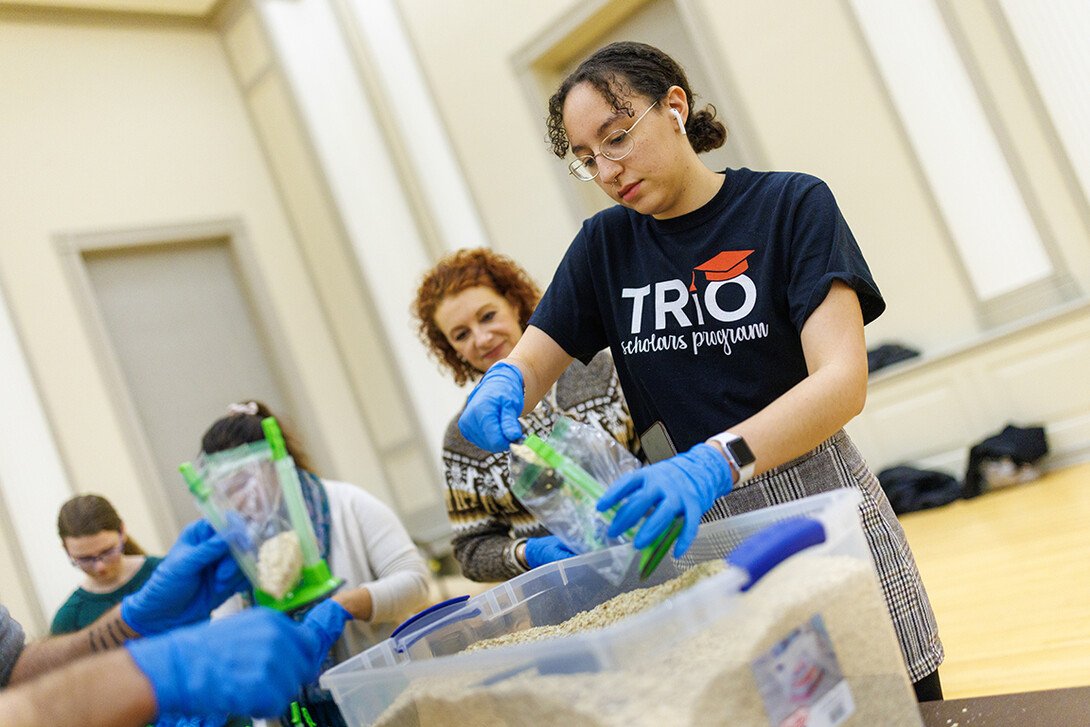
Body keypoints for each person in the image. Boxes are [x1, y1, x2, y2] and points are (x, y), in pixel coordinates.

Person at [456, 41, 944, 701]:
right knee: (787, 706)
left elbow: (841, 380)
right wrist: (506, 380)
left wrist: (716, 458)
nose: (606, 169)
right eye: (586, 158)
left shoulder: (790, 207)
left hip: (818, 501)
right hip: (707, 530)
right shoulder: (606, 248)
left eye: (617, 137)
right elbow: (534, 357)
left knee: (893, 697)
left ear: (676, 108)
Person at [412, 248, 638, 581]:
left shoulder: (601, 372)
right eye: (461, 334)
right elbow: (471, 550)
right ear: (452, 349)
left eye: (488, 316)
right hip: (569, 599)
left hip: (654, 553)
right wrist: (526, 553)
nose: (482, 338)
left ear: (515, 305)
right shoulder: (462, 438)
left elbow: (662, 453)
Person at [201, 401, 431, 726]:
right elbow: (223, 632)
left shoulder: (347, 505)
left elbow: (416, 582)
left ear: (275, 462)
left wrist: (345, 605)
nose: (237, 501)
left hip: (382, 698)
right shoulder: (235, 548)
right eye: (223, 491)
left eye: (242, 483)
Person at [0, 519, 353, 727]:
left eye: (105, 552)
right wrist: (161, 671)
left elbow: (11, 669)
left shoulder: (156, 570)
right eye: (85, 559)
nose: (100, 566)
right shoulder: (71, 612)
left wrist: (130, 621)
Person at [51, 494, 164, 635]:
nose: (100, 566)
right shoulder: (69, 619)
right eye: (84, 559)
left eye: (108, 552)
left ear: (122, 532)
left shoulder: (165, 573)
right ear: (67, 551)